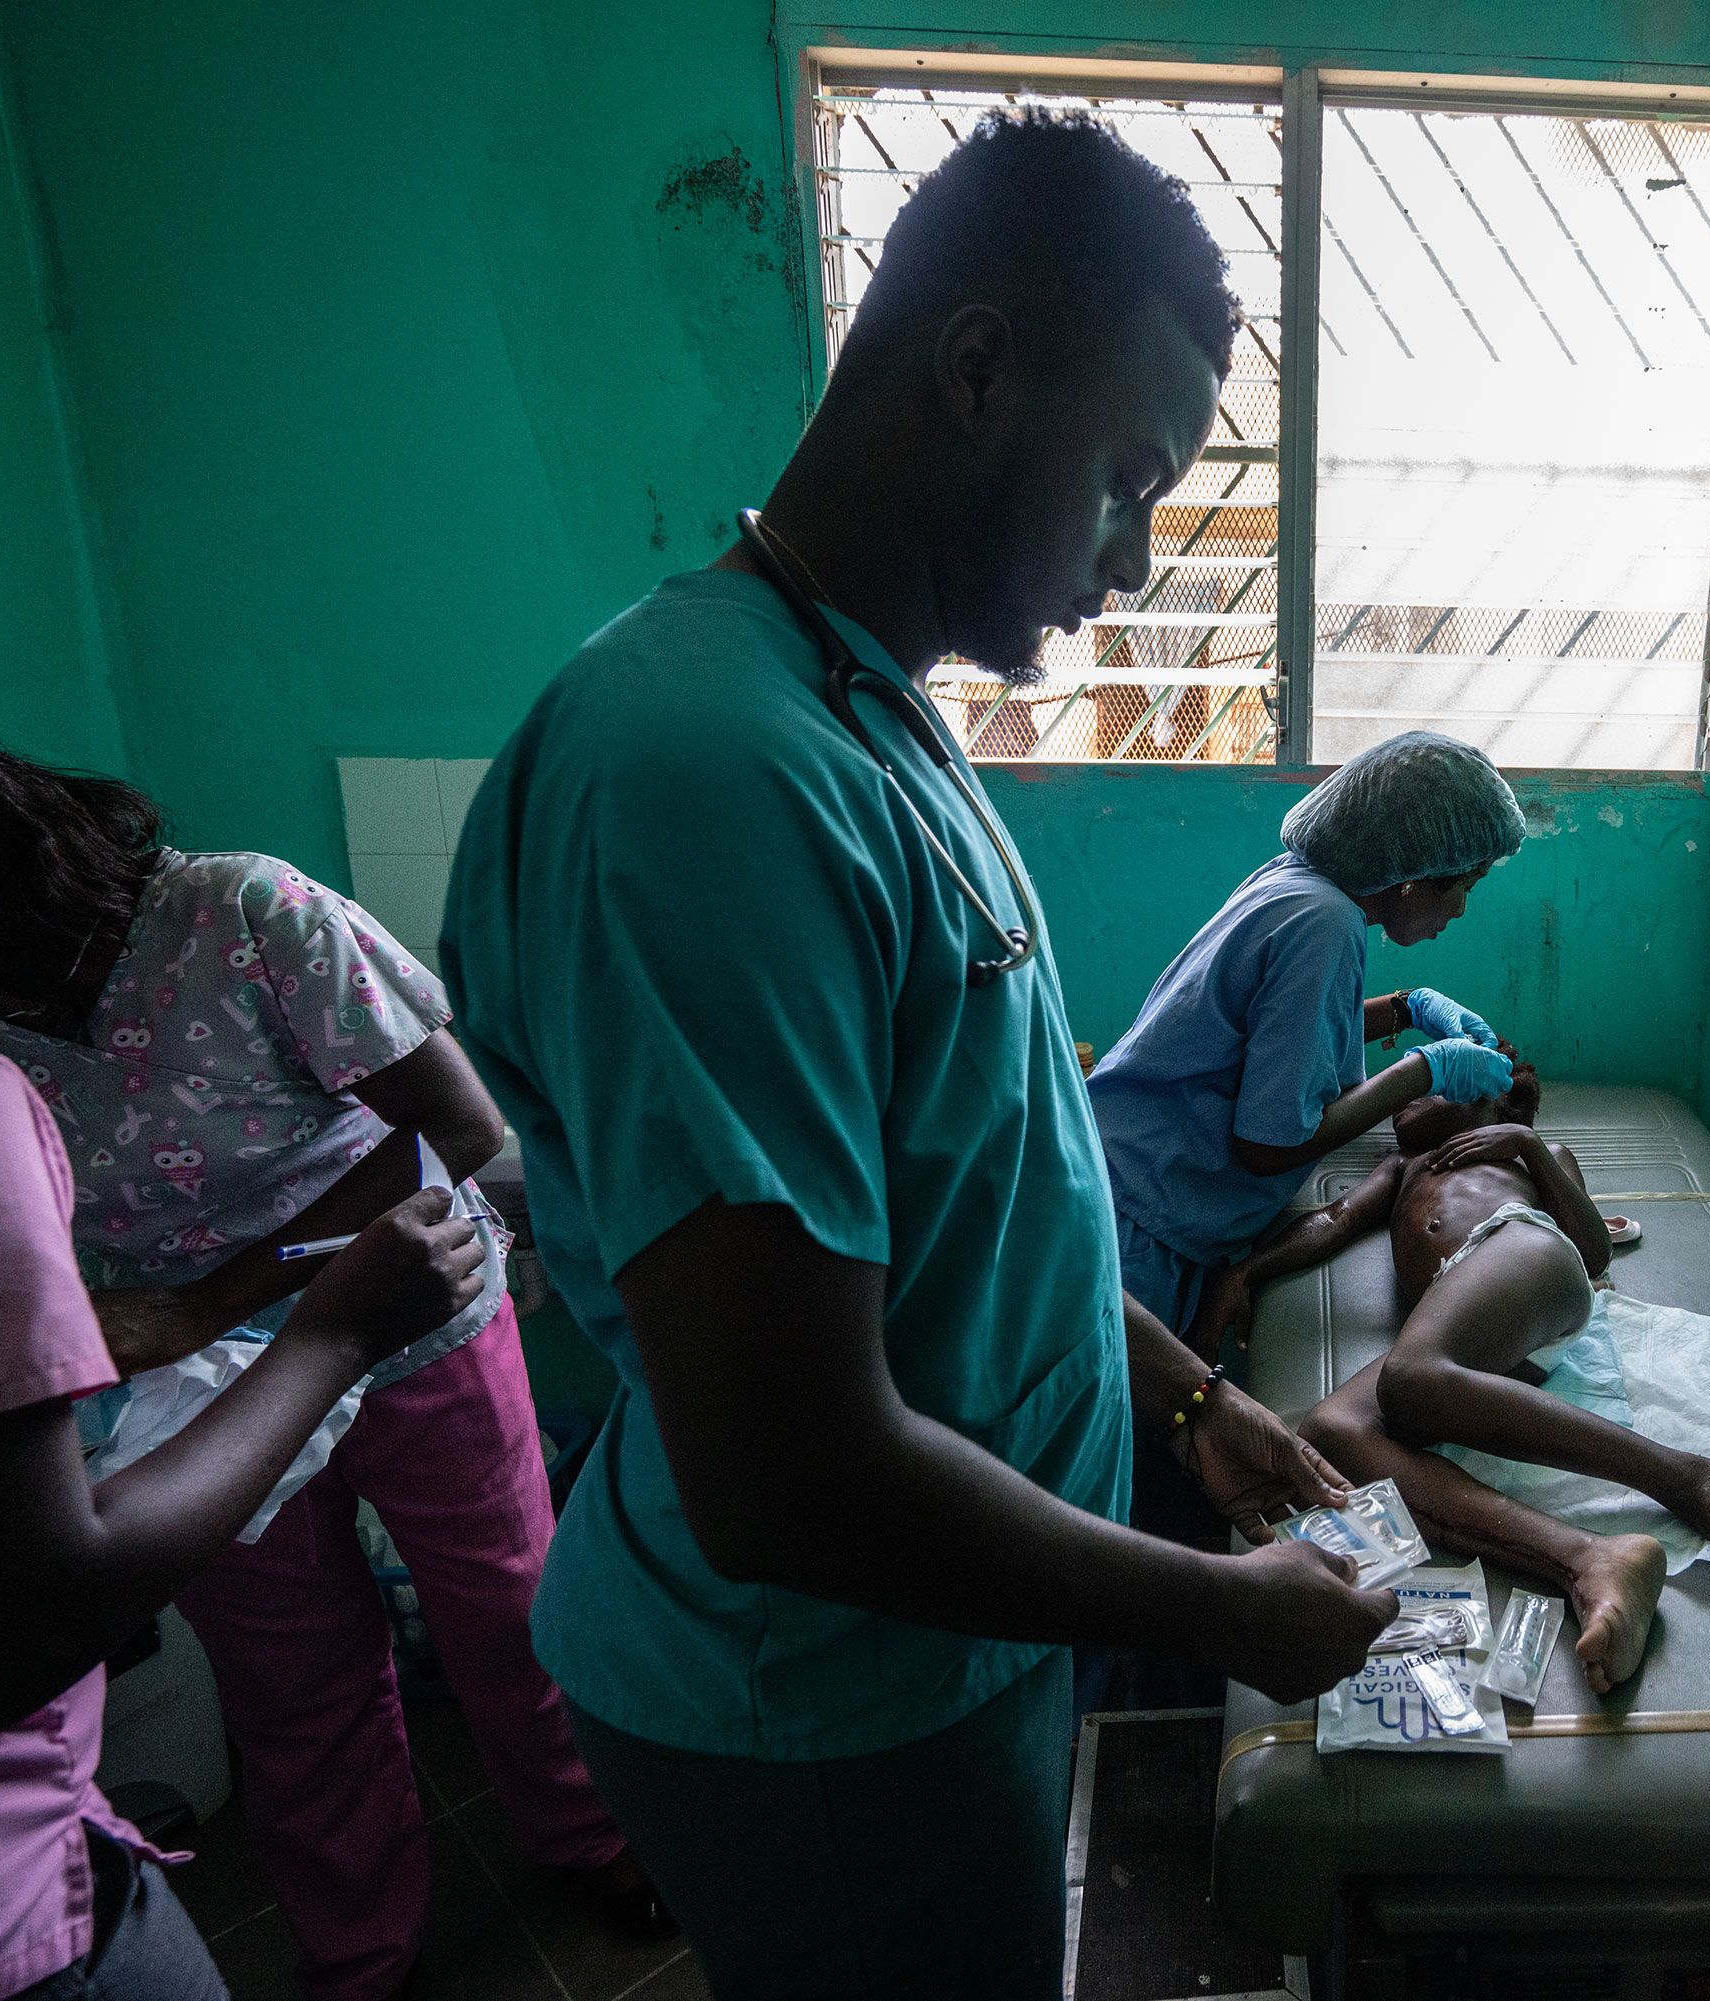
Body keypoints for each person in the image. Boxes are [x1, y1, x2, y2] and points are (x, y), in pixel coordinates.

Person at [438, 109, 1390, 1999]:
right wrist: (1221, 1609)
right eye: (1127, 479)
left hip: (954, 1634)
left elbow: (985, 1188)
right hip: (826, 1696)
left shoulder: (868, 715)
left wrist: (1190, 1398)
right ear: (977, 369)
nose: (1131, 564)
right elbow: (789, 1470)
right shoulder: (703, 772)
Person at [0, 670, 660, 1993]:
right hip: (199, 1393)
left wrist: (211, 1300)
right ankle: (360, 1946)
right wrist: (174, 1329)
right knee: (294, 1683)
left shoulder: (242, 912)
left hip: (412, 1312)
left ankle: (588, 1835)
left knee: (509, 1608)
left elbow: (462, 1132)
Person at [1213, 1048, 1710, 1690]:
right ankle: (1587, 1558)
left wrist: (1529, 1147)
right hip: (1468, 1335)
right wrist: (1249, 1271)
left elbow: (1594, 1248)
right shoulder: (1404, 1165)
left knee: (1407, 1381)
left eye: (1431, 1091)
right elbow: (1334, 1219)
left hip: (1522, 1253)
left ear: (1490, 1098)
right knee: (1331, 1432)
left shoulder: (1519, 1151)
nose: (1405, 1105)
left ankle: (1690, 1478)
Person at [1085, 727, 1527, 1348]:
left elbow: (1280, 1032)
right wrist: (1425, 1070)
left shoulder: (1300, 884)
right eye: (1464, 885)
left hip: (1120, 1174)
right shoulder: (1326, 925)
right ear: (1413, 874)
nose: (1459, 910)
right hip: (1139, 1220)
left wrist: (1406, 1008)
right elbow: (1268, 1145)